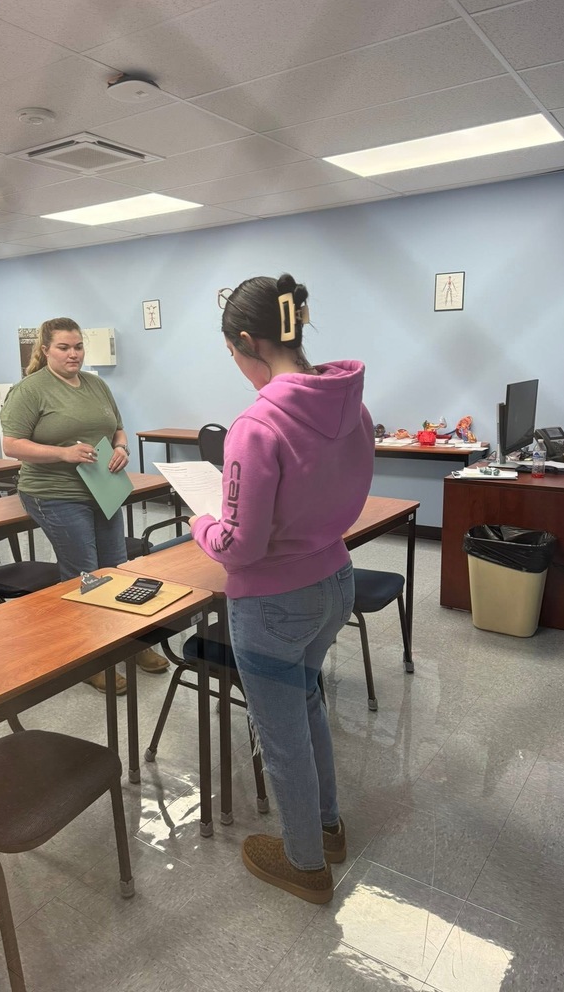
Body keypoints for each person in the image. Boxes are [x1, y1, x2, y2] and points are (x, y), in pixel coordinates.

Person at [190, 274, 374, 903]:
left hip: (272, 602)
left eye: (233, 355)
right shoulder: (350, 403)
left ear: (247, 341)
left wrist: (202, 523)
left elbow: (240, 545)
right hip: (334, 579)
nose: (239, 369)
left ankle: (305, 865)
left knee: (281, 735)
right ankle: (328, 828)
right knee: (308, 701)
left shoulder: (256, 424)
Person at [0, 317, 168, 693]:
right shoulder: (30, 390)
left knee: (116, 568)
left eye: (78, 346)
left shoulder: (96, 384)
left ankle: (132, 643)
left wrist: (122, 448)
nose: (73, 353)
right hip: (54, 493)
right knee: (85, 576)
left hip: (102, 488)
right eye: (64, 347)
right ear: (45, 350)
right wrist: (62, 453)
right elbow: (11, 445)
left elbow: (118, 429)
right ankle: (91, 658)